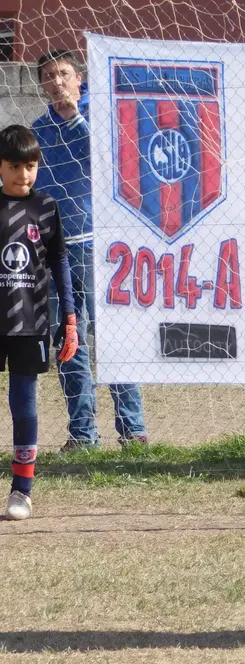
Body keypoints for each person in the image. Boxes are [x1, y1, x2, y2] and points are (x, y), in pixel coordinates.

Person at [33, 48, 146, 450]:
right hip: (54, 253)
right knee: (68, 341)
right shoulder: (38, 131)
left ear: (79, 78)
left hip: (101, 248)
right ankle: (83, 434)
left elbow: (115, 161)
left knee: (115, 335)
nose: (56, 82)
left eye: (63, 73)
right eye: (48, 76)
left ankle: (133, 429)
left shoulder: (102, 118)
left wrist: (76, 116)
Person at [0, 126, 79, 520]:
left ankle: (22, 491)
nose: (23, 175)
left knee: (24, 406)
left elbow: (60, 262)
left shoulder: (46, 208)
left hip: (30, 323)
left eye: (30, 166)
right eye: (14, 166)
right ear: (0, 167)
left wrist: (70, 317)